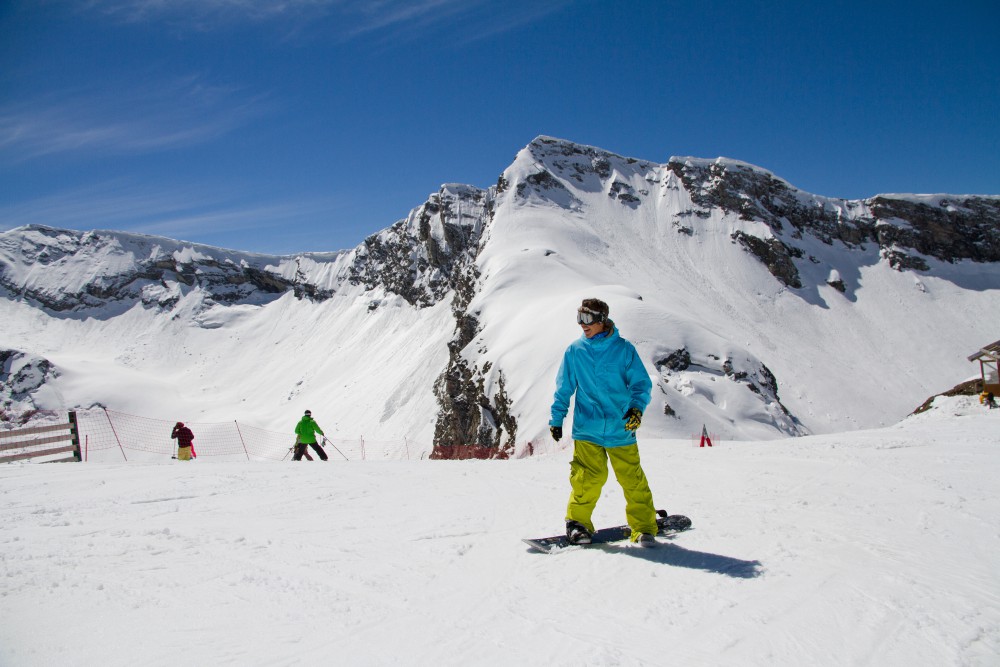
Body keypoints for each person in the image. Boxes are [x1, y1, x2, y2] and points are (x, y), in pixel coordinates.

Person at [549, 298, 657, 547]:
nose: (582, 324)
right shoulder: (575, 351)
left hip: (621, 427)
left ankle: (643, 527)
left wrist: (636, 409)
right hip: (588, 429)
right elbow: (564, 388)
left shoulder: (623, 350)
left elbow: (641, 384)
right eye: (579, 318)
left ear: (602, 320)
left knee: (632, 479)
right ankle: (577, 524)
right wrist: (557, 418)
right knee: (587, 479)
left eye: (587, 318)